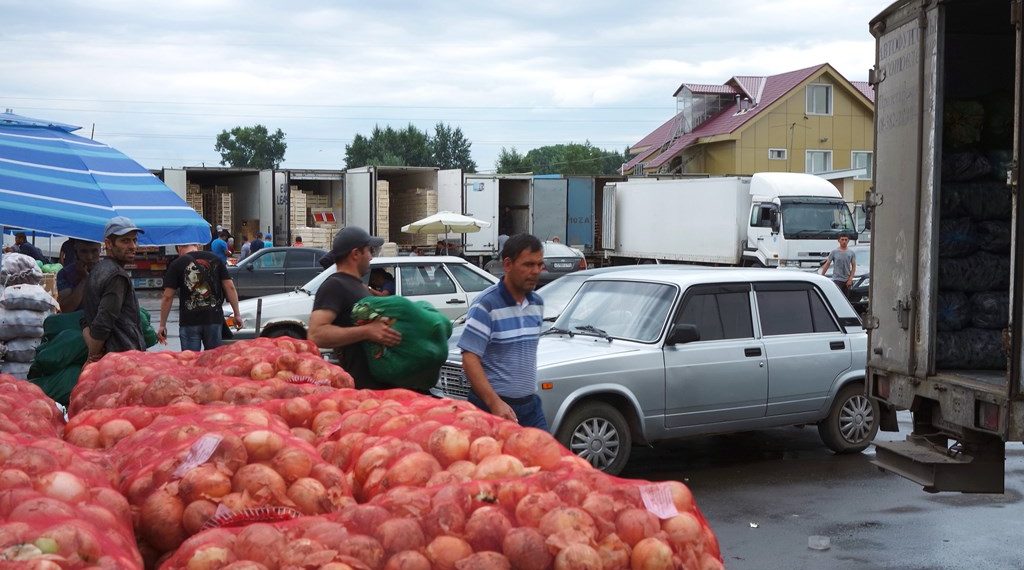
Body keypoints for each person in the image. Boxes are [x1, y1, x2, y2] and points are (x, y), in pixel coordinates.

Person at [458, 233, 546, 428]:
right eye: (528, 265)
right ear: (507, 265)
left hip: (530, 407)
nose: (536, 271)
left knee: (543, 457)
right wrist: (494, 402)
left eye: (539, 265)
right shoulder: (486, 304)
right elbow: (469, 358)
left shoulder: (537, 303)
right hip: (490, 408)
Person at [307, 226, 400, 389]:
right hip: (358, 389)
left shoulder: (359, 286)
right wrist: (367, 331)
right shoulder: (335, 285)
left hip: (377, 386)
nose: (371, 257)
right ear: (356, 254)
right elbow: (316, 334)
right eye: (369, 250)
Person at [81, 217, 147, 362]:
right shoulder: (117, 276)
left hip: (110, 359)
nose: (133, 246)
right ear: (108, 244)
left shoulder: (98, 269)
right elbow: (103, 323)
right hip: (123, 359)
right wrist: (91, 357)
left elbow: (85, 320)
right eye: (125, 241)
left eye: (134, 240)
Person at [158, 243, 243, 351]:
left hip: (189, 321)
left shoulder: (177, 264)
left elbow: (167, 297)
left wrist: (162, 325)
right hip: (213, 319)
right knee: (213, 361)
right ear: (197, 246)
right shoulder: (215, 259)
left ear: (179, 248)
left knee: (191, 361)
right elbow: (230, 287)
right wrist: (237, 314)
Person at [56, 239, 102, 313]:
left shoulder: (107, 272)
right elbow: (66, 308)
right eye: (84, 251)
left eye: (94, 251)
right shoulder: (65, 273)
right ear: (76, 252)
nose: (89, 257)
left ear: (100, 250)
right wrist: (84, 280)